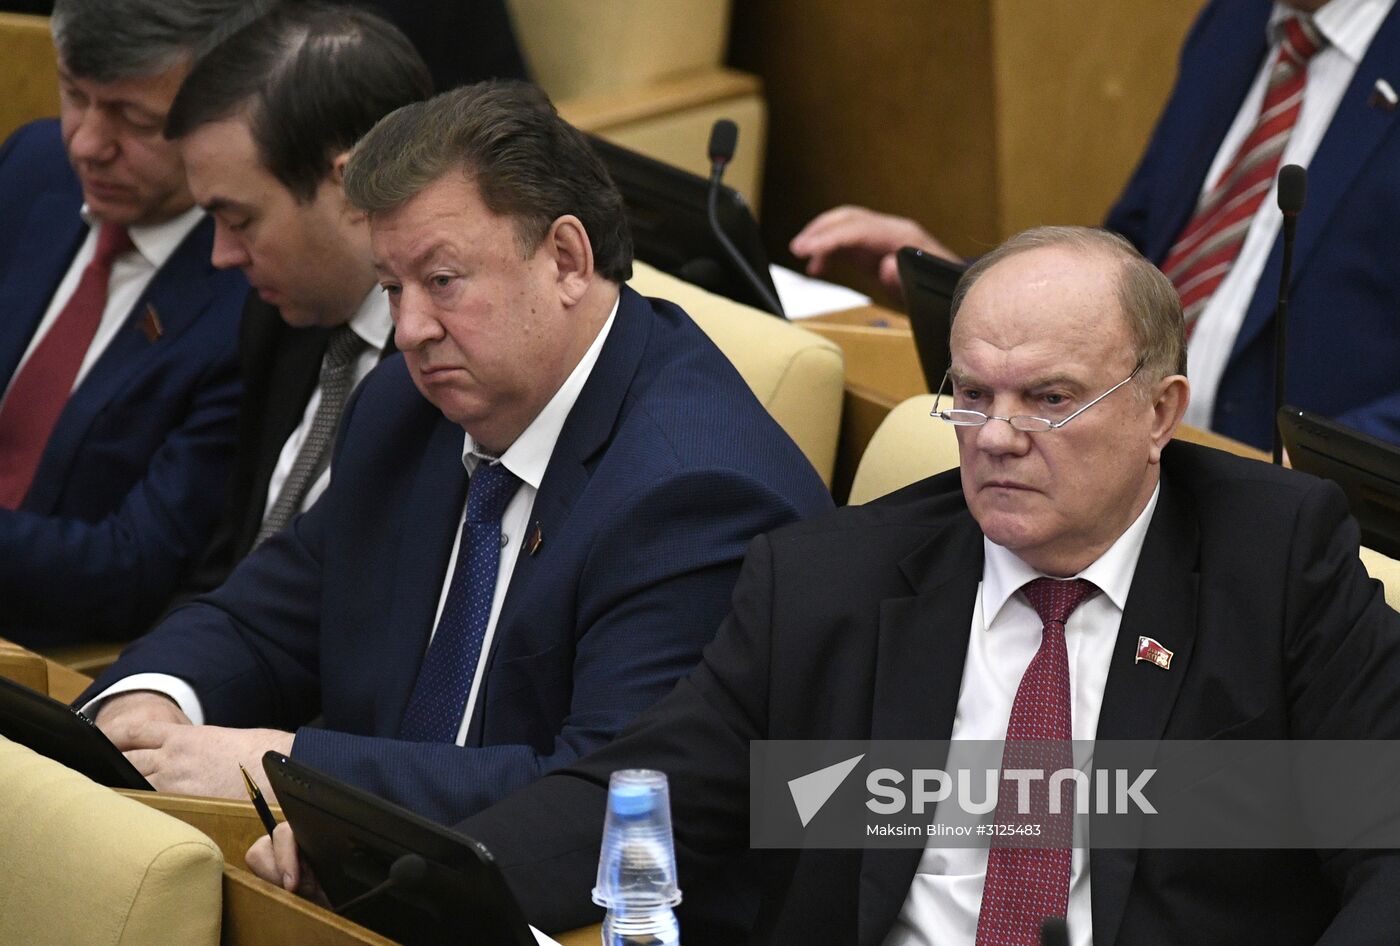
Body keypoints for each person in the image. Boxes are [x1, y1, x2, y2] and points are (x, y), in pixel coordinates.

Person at [254, 225, 1400, 944]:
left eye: (1046, 400)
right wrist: (389, 871)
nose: (995, 437)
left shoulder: (1277, 557)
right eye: (970, 395)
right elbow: (645, 790)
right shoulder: (830, 579)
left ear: (1158, 413)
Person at [82, 81, 834, 825]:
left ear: (567, 259)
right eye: (391, 287)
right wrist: (155, 698)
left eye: (442, 282)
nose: (409, 329)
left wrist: (292, 775)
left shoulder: (692, 494)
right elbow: (269, 617)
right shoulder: (409, 410)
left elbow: (604, 798)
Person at [791, 0, 1400, 451]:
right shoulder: (1235, 21)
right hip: (1124, 459)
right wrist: (979, 289)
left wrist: (1317, 468)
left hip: (1301, 506)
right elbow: (1127, 256)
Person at [0, 0, 265, 646]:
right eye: (74, 95)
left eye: (133, 118)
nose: (87, 143)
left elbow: (131, 569)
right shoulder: (35, 165)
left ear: (229, 111)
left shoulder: (254, 294)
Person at [160, 3, 433, 597]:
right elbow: (228, 566)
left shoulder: (450, 371)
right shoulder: (279, 317)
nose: (221, 256)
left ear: (356, 183)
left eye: (239, 219)